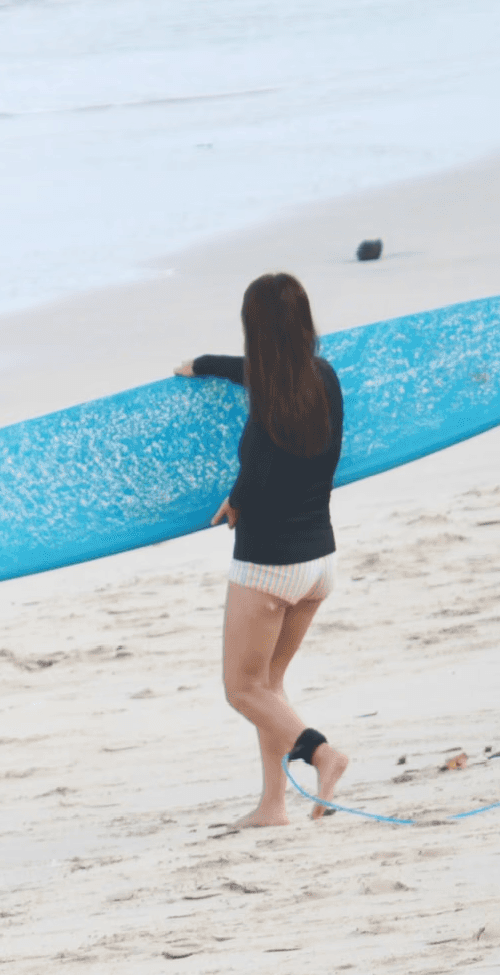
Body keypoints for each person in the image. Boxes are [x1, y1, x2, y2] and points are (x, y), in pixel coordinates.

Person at [177, 273, 350, 827]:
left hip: (268, 566)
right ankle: (273, 805)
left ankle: (323, 754)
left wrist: (233, 501)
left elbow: (257, 471)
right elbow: (258, 377)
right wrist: (205, 364)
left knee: (241, 689)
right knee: (270, 688)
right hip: (319, 563)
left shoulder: (270, 406)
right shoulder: (322, 378)